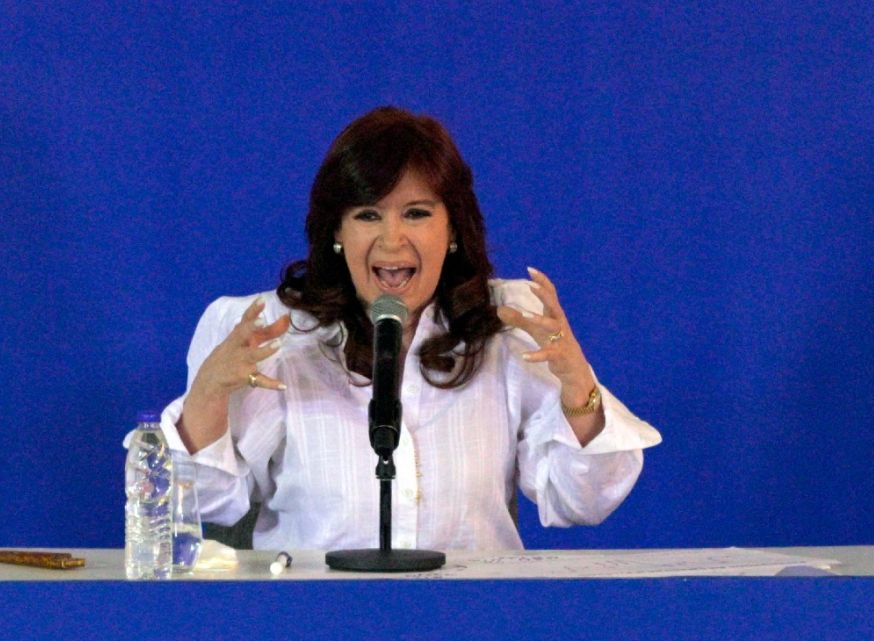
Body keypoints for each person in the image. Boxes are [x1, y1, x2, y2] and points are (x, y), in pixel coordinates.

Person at [147, 106, 660, 550]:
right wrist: (208, 397)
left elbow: (584, 500)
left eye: (416, 213)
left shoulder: (506, 324)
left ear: (453, 227)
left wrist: (577, 389)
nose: (392, 241)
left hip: (473, 620)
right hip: (315, 620)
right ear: (337, 234)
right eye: (368, 215)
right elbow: (202, 504)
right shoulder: (273, 333)